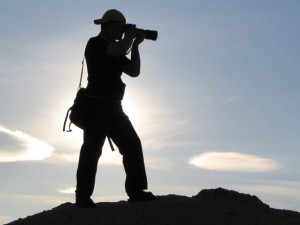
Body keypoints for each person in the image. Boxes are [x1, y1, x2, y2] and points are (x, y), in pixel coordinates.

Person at [75, 9, 158, 208]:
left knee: (132, 145)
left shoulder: (119, 47)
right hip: (95, 106)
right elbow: (118, 49)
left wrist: (136, 46)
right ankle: (83, 197)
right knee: (92, 151)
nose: (123, 31)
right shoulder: (95, 43)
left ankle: (137, 191)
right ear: (110, 25)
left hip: (114, 108)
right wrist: (130, 36)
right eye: (121, 27)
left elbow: (134, 72)